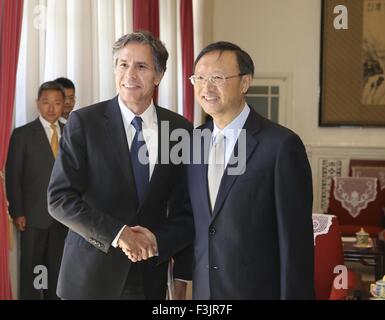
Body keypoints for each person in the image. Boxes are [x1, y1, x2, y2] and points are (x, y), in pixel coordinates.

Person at [47, 31, 194, 300]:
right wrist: (119, 233)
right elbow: (59, 199)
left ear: (158, 76)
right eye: (123, 64)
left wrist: (158, 242)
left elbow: (186, 211)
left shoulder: (179, 130)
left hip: (150, 276)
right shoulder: (84, 123)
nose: (130, 74)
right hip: (90, 277)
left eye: (141, 66)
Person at [187, 41, 314, 299]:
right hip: (205, 293)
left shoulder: (280, 146)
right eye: (199, 78)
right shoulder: (192, 142)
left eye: (217, 77)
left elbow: (295, 245)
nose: (206, 87)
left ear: (245, 83)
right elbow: (196, 223)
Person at [6, 81, 68, 300]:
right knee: (34, 267)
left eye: (57, 103)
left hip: (64, 217)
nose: (51, 108)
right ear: (37, 104)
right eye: (46, 102)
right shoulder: (22, 134)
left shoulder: (71, 132)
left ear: (64, 105)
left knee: (58, 268)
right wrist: (18, 212)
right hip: (32, 216)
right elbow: (14, 176)